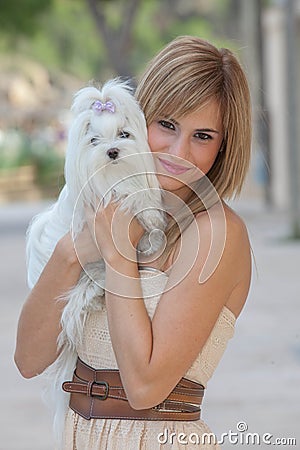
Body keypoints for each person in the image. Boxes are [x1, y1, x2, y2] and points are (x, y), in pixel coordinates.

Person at [14, 35, 252, 449]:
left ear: (224, 146)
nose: (179, 152)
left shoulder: (216, 232)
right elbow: (29, 360)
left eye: (203, 136)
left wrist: (118, 255)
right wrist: (73, 252)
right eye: (168, 125)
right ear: (140, 120)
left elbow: (144, 387)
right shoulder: (99, 215)